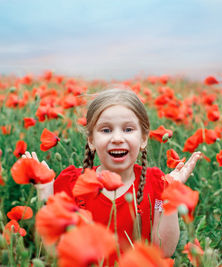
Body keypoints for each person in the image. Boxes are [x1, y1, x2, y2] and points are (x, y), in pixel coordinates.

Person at [24, 88, 202, 259]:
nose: (117, 138)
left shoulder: (157, 184)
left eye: (128, 129)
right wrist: (46, 193)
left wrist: (172, 193)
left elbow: (164, 250)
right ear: (91, 140)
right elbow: (54, 251)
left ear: (143, 139)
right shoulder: (71, 184)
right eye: (106, 130)